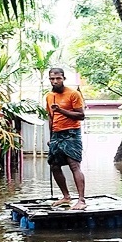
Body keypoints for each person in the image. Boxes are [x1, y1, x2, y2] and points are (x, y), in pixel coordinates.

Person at [46, 67, 87, 210]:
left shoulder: (73, 94)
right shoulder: (49, 96)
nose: (55, 81)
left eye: (58, 78)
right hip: (56, 134)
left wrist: (61, 110)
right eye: (52, 78)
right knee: (54, 166)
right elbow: (51, 117)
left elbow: (81, 115)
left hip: (71, 133)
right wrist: (51, 138)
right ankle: (66, 196)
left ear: (63, 78)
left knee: (74, 165)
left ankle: (81, 200)